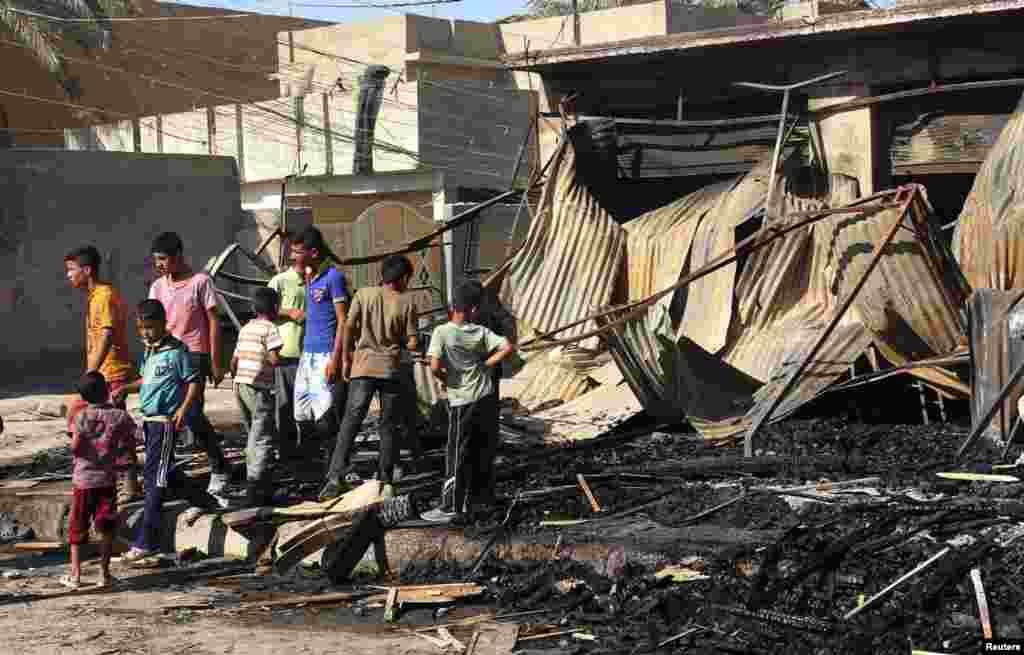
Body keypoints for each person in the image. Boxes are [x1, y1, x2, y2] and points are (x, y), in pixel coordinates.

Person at [114, 300, 224, 561]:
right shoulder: (151, 352)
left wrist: (183, 409)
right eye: (141, 328)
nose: (146, 333)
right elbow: (146, 380)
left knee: (154, 481)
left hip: (165, 422)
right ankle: (207, 502)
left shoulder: (178, 351)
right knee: (168, 472)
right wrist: (125, 388)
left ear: (163, 324)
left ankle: (146, 542)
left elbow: (194, 382)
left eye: (150, 327)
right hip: (149, 421)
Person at [319, 255, 418, 501]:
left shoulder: (363, 294)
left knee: (351, 422)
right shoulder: (406, 302)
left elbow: (347, 327)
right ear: (403, 277)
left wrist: (344, 358)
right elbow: (412, 341)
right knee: (388, 425)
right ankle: (384, 480)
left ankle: (334, 477)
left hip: (362, 369)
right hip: (390, 370)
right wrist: (410, 341)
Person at [147, 232, 229, 504]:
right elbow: (152, 323)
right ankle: (166, 474)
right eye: (156, 259)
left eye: (163, 259)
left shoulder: (200, 282)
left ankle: (219, 466)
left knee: (192, 414)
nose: (159, 264)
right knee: (164, 415)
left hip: (194, 355)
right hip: (166, 357)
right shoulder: (158, 286)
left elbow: (214, 322)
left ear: (178, 256)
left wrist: (217, 362)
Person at [422, 282, 514, 522]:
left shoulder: (442, 332)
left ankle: (450, 506)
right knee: (482, 448)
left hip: (461, 400)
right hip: (484, 396)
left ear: (453, 306)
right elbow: (507, 346)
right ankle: (479, 501)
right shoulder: (481, 331)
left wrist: (445, 378)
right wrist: (485, 365)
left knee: (456, 452)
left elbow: (433, 366)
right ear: (474, 309)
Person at [63, 246, 141, 504]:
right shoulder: (93, 296)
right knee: (79, 416)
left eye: (71, 270)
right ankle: (109, 477)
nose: (69, 276)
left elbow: (107, 334)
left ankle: (129, 484)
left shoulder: (104, 296)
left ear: (86, 270)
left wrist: (91, 372)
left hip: (111, 373)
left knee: (114, 427)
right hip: (102, 373)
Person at [62, 371, 136, 589]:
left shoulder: (81, 416)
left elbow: (75, 447)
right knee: (106, 527)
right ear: (107, 391)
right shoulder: (120, 416)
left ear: (83, 396)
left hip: (83, 481)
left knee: (77, 527)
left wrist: (82, 450)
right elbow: (133, 441)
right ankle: (104, 574)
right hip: (107, 480)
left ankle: (75, 575)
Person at [291, 226, 350, 470]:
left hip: (326, 354)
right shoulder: (309, 276)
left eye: (297, 252)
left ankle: (337, 469)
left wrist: (336, 359)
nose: (292, 256)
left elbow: (343, 321)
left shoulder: (334, 278)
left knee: (325, 417)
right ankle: (315, 469)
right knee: (301, 414)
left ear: (313, 252)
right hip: (307, 355)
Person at [230, 287, 284, 507]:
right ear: (275, 308)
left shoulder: (246, 328)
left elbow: (234, 361)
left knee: (253, 432)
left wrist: (237, 377)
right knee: (262, 435)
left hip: (240, 384)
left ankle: (258, 478)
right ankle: (256, 486)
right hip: (259, 387)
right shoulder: (271, 328)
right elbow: (273, 358)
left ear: (253, 308)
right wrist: (281, 361)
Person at [266, 232, 305, 463]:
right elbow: (263, 308)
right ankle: (288, 453)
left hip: (310, 353)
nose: (296, 255)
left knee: (308, 405)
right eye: (295, 250)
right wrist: (288, 312)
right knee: (285, 405)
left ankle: (309, 451)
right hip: (286, 354)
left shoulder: (317, 279)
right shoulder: (280, 281)